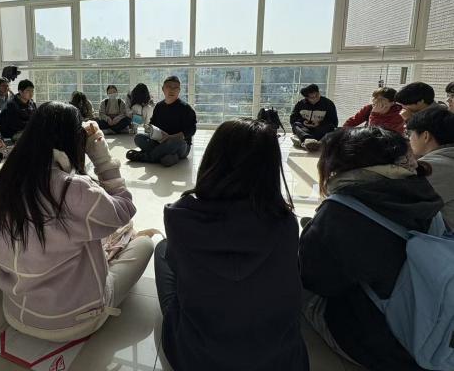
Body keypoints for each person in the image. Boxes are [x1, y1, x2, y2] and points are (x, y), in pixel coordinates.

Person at [0, 102, 153, 342]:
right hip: (73, 320)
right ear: (73, 139)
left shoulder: (7, 180)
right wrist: (102, 159)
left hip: (16, 310)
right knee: (144, 243)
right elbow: (125, 209)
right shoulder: (73, 188)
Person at [155, 119, 308, 371]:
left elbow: (179, 267)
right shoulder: (285, 223)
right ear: (271, 168)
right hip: (280, 360)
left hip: (196, 358)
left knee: (162, 249)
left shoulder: (180, 216)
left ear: (212, 159)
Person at [299, 126, 442, 370]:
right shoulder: (423, 191)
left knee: (294, 285)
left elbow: (317, 280)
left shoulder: (341, 211)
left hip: (387, 346)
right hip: (432, 324)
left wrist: (315, 231)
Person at [127, 76, 197, 167]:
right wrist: (149, 128)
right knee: (138, 137)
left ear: (179, 90)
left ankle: (145, 157)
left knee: (176, 143)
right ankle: (170, 156)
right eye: (169, 87)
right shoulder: (159, 106)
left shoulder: (186, 108)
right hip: (160, 141)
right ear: (163, 89)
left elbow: (191, 130)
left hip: (178, 144)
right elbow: (153, 123)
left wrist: (170, 137)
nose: (172, 90)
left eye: (175, 88)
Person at [407, 105, 454, 229]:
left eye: (410, 134)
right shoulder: (448, 158)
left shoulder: (434, 166)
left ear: (425, 136)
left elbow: (400, 198)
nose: (409, 139)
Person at [290, 84, 338, 152]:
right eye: (312, 97)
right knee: (296, 124)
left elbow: (334, 122)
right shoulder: (300, 104)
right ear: (307, 98)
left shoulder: (328, 103)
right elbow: (293, 119)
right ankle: (309, 140)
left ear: (319, 93)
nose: (315, 98)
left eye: (317, 95)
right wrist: (303, 121)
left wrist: (319, 123)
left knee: (330, 127)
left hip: (320, 129)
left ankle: (307, 141)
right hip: (305, 129)